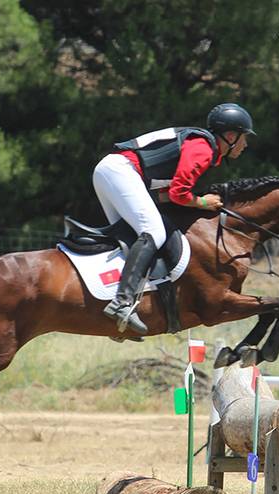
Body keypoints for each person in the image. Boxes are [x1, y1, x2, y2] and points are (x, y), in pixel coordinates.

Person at [93, 102, 256, 334]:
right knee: (154, 232)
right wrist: (202, 202)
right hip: (121, 171)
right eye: (244, 137)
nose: (245, 144)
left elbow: (165, 195)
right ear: (230, 136)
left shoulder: (201, 145)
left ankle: (115, 304)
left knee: (130, 238)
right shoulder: (203, 149)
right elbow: (178, 193)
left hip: (113, 171)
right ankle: (122, 303)